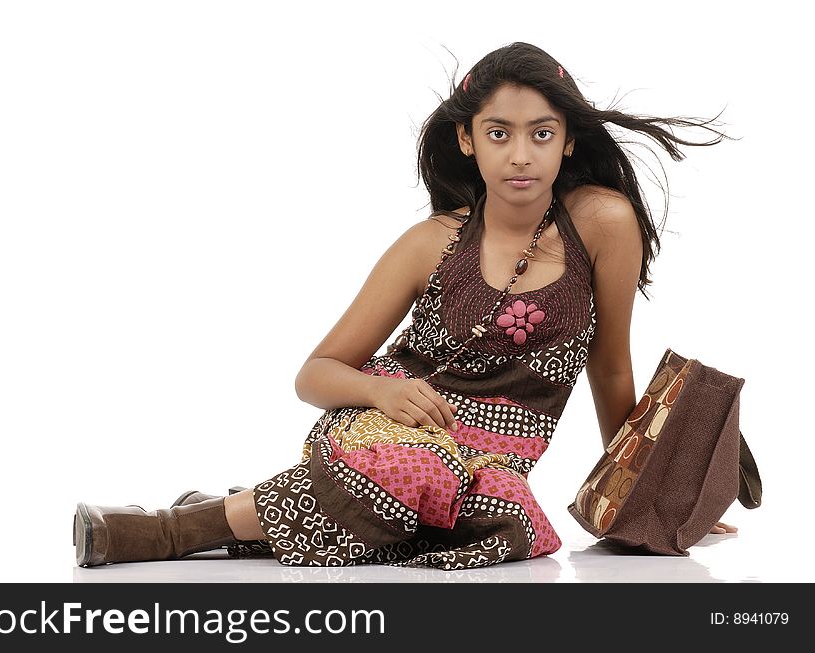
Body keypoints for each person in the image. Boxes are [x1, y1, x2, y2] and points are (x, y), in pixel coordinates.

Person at [73, 41, 738, 571]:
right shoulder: (431, 244)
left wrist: (640, 496)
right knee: (414, 468)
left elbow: (611, 368)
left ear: (568, 141)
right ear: (468, 141)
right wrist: (382, 395)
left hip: (488, 461)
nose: (520, 155)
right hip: (383, 428)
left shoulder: (602, 221)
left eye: (541, 133)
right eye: (499, 133)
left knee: (505, 518)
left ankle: (237, 506)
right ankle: (171, 529)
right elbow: (316, 372)